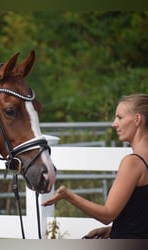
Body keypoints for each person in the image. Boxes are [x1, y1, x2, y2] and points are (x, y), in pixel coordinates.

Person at [42, 93, 148, 239]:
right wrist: (113, 230)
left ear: (137, 119)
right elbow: (140, 214)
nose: (114, 123)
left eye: (120, 117)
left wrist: (67, 195)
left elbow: (108, 214)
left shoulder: (133, 162)